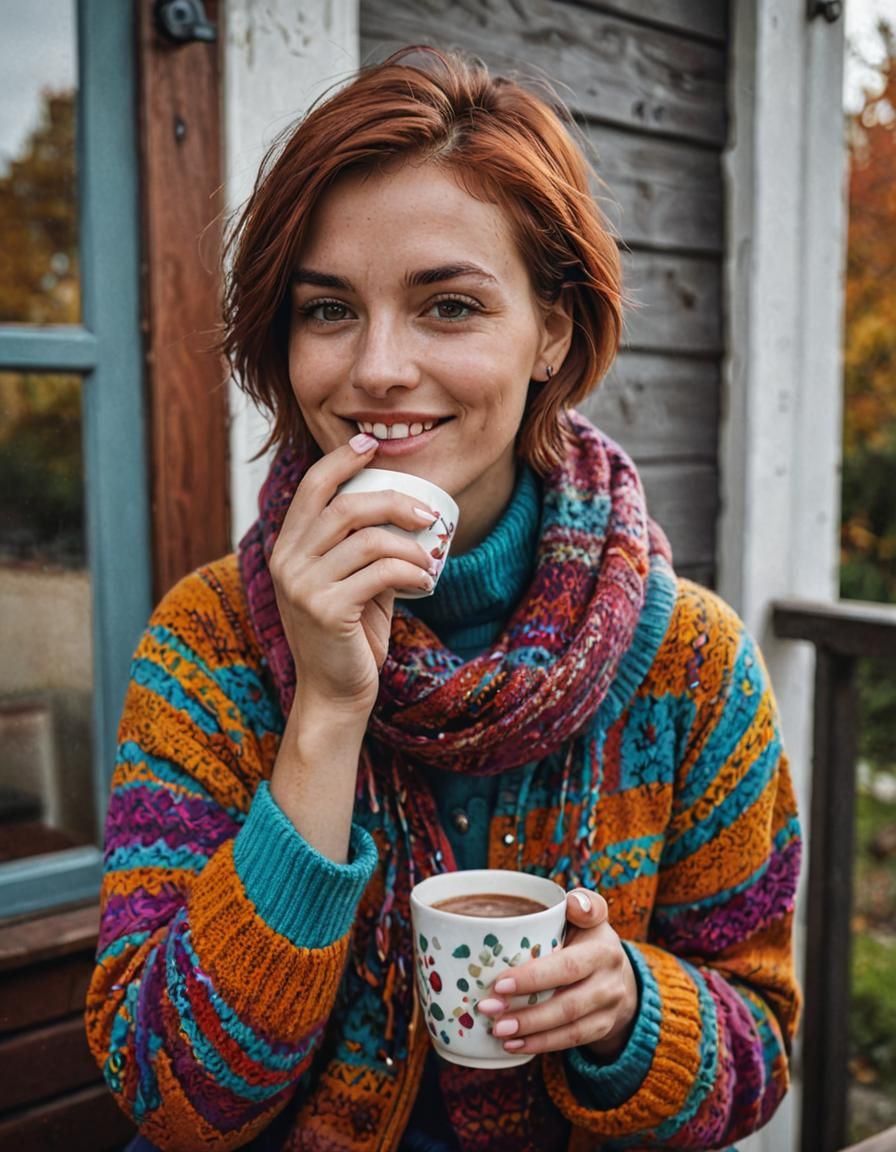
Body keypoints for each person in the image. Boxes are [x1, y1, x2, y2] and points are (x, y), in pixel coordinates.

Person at [86, 47, 802, 1152]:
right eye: (329, 309)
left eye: (449, 305)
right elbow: (169, 1094)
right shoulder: (208, 642)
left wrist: (631, 1011)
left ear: (552, 331)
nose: (377, 367)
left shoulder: (689, 665)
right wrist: (326, 713)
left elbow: (758, 1047)